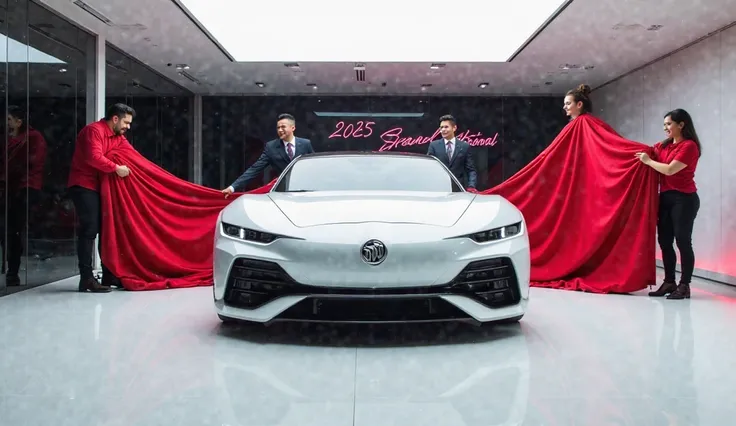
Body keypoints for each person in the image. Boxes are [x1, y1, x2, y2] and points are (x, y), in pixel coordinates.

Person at [635, 109, 702, 300]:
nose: (665, 128)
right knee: (664, 241)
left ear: (681, 125)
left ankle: (684, 285)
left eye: (669, 124)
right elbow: (644, 150)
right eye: (664, 125)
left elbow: (671, 170)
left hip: (684, 199)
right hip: (665, 198)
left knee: (682, 241)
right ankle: (670, 281)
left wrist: (648, 161)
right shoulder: (663, 146)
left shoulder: (690, 146)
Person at [67, 103, 134, 293]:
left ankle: (109, 274)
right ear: (115, 119)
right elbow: (93, 157)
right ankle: (86, 278)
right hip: (83, 185)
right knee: (89, 229)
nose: (127, 127)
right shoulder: (93, 131)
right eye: (126, 122)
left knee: (107, 229)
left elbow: (132, 156)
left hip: (100, 187)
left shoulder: (118, 136)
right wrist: (115, 168)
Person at [1, 105, 47, 286]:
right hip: (12, 189)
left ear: (19, 122)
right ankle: (11, 269)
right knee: (11, 231)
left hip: (23, 189)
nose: (7, 124)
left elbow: (31, 164)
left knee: (15, 231)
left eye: (10, 120)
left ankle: (13, 270)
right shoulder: (14, 139)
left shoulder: (32, 138)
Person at [221, 114, 314, 198]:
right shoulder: (271, 147)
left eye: (283, 127)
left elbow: (314, 165)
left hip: (304, 191)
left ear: (292, 128)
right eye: (278, 128)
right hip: (282, 193)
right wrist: (232, 188)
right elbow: (254, 169)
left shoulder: (305, 144)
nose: (280, 130)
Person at [426, 114, 477, 190]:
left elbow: (471, 170)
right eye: (441, 127)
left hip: (458, 189)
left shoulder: (464, 146)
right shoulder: (434, 146)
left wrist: (471, 186)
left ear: (454, 128)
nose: (443, 130)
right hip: (438, 189)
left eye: (446, 127)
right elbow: (429, 168)